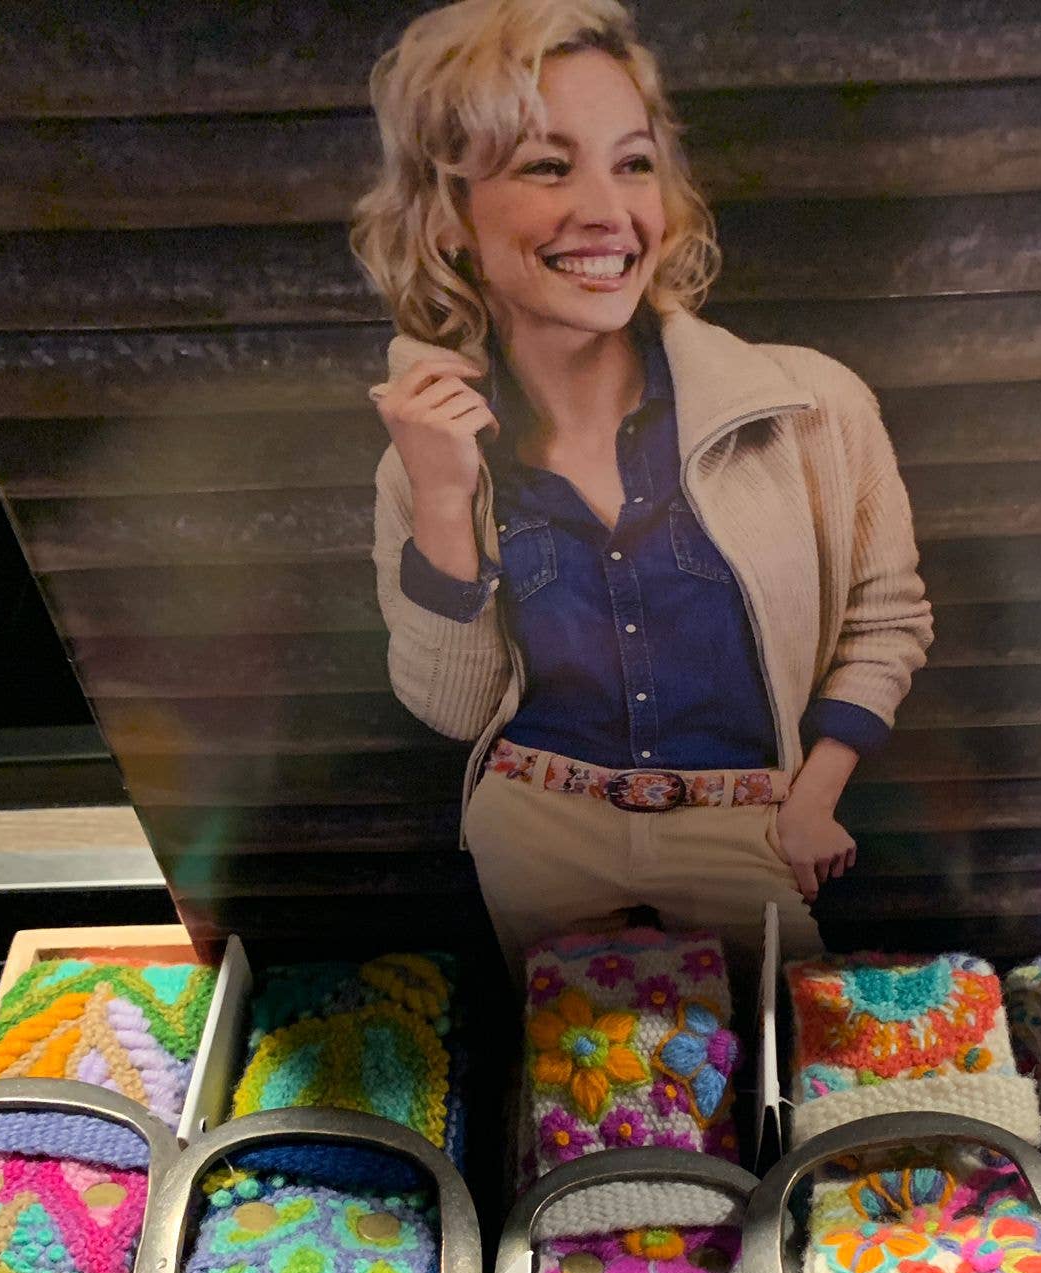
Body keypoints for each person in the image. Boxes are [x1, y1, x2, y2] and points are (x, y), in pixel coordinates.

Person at [355, 0, 935, 977]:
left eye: (632, 163)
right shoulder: (426, 455)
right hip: (536, 825)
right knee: (572, 1071)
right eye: (548, 166)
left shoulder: (810, 406)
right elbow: (453, 710)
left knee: (773, 1055)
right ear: (448, 215)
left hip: (747, 824)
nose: (607, 210)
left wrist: (812, 800)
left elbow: (888, 620)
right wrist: (445, 503)